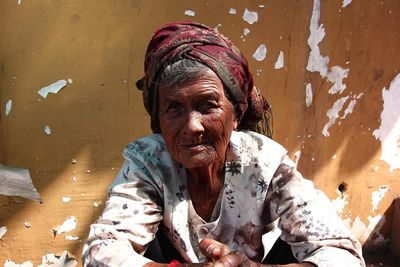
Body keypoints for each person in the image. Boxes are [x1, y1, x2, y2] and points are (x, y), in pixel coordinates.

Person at [82, 22, 365, 267]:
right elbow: (102, 251)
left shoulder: (264, 162)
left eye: (207, 105)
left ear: (237, 115)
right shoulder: (149, 161)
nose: (192, 125)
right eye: (174, 108)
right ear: (159, 119)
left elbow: (344, 256)